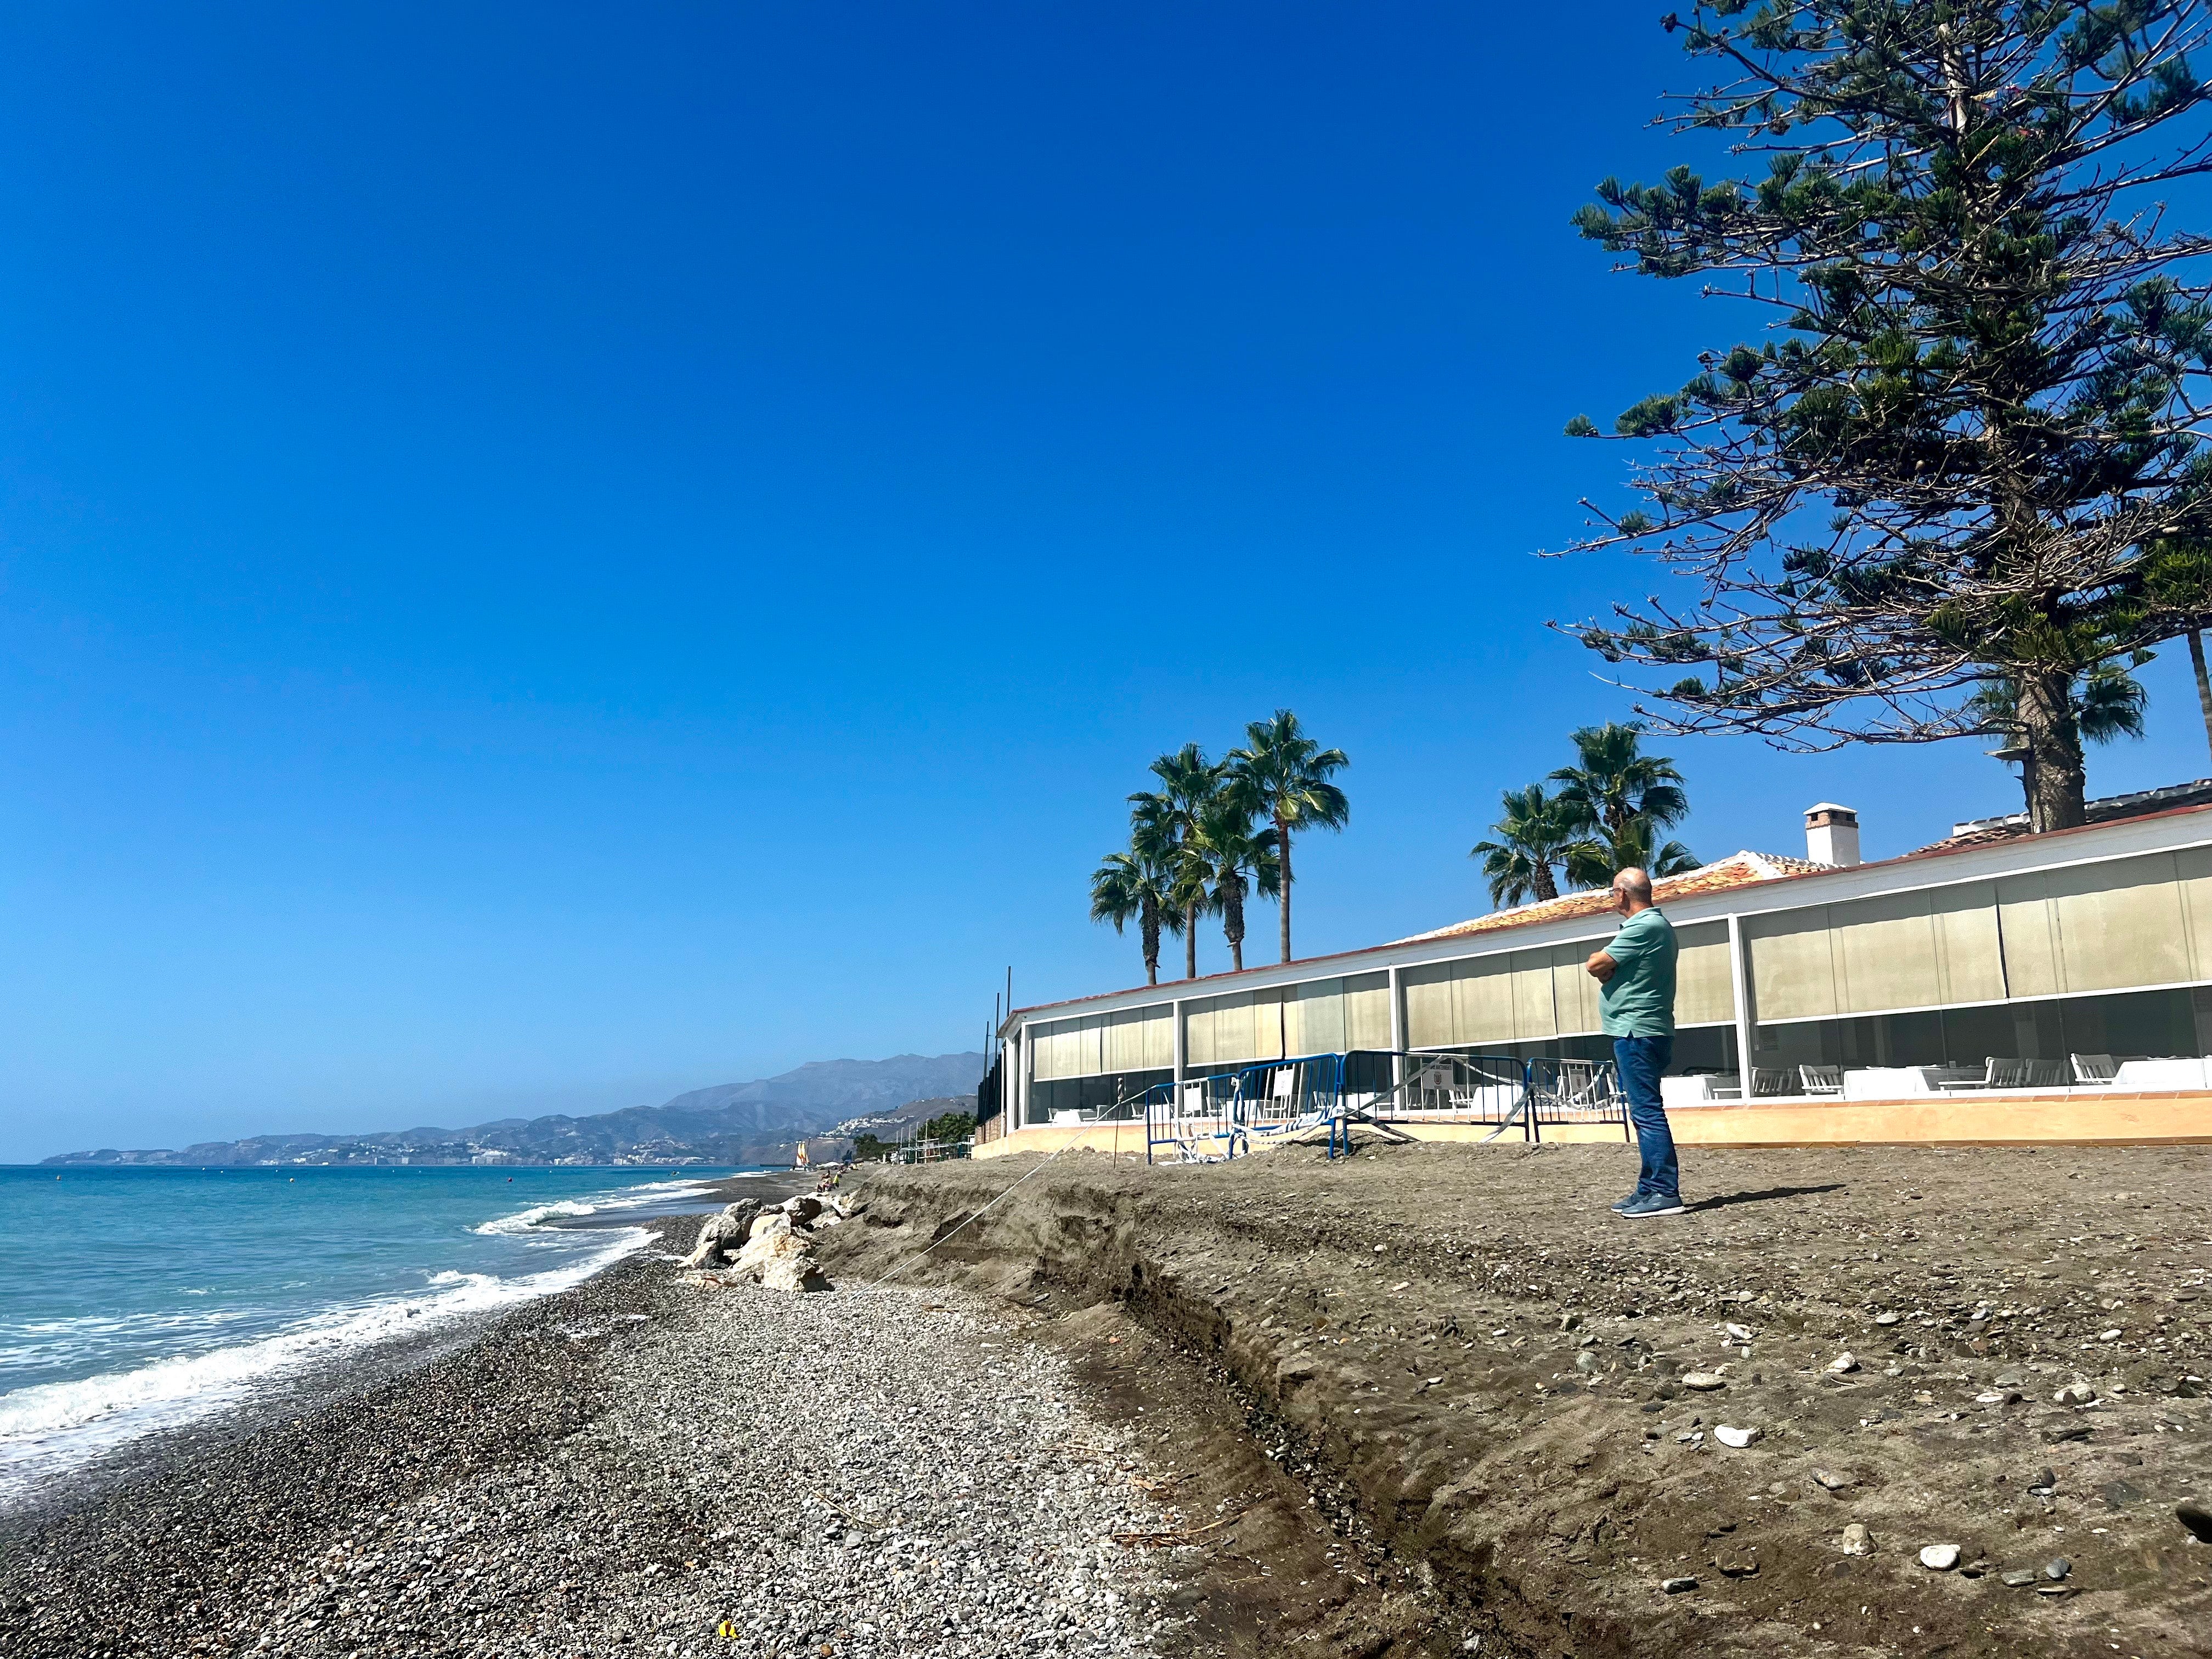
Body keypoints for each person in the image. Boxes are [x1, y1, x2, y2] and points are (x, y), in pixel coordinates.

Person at [1584, 866, 1683, 1218]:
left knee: (1647, 1112)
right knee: (1643, 1113)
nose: (1611, 898)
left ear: (1623, 894)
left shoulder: (1644, 927)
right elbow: (1606, 967)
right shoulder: (1653, 928)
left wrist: (1605, 967)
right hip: (1641, 1030)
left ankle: (1664, 1191)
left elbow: (1597, 964)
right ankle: (1649, 1187)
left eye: (1612, 892)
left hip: (1637, 1032)